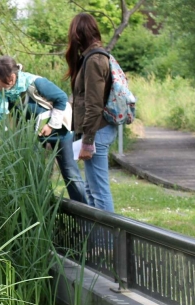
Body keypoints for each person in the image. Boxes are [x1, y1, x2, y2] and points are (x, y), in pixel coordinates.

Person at [0, 56, 87, 204]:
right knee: (34, 175)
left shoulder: (35, 83)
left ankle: (85, 217)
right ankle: (43, 211)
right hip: (33, 139)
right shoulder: (1, 91)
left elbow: (61, 98)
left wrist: (51, 125)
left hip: (58, 133)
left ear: (10, 77)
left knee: (70, 174)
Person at [65, 13, 117, 212]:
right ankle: (98, 240)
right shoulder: (89, 57)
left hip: (97, 131)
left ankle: (108, 242)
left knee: (99, 192)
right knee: (92, 189)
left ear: (78, 34)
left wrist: (87, 141)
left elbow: (94, 104)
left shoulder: (95, 60)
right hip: (96, 131)